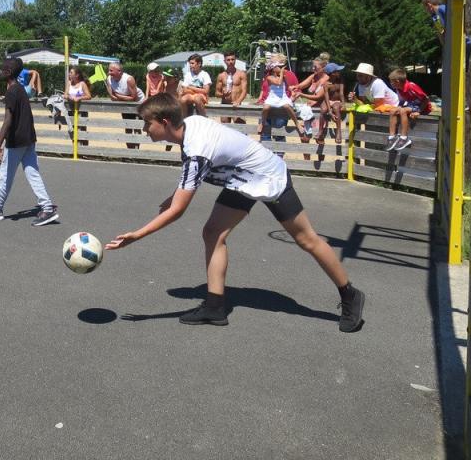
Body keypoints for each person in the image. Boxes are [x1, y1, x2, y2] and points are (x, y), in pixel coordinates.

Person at [104, 93, 365, 333]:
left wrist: (137, 235)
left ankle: (350, 294)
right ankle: (215, 306)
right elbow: (191, 179)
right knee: (213, 233)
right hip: (242, 180)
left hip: (267, 176)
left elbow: (178, 211)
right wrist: (175, 195)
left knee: (307, 239)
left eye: (147, 123)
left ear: (164, 121)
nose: (144, 129)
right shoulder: (190, 126)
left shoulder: (196, 149)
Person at [0, 58, 58, 227]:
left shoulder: (12, 92)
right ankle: (47, 207)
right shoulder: (20, 89)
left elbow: (8, 120)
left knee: (5, 176)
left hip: (17, 140)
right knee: (33, 173)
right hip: (28, 138)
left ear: (8, 72)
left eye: (2, 69)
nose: (0, 71)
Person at [385, 68, 432, 151]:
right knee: (393, 110)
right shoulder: (399, 88)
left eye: (391, 81)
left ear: (397, 81)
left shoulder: (411, 86)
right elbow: (402, 101)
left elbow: (426, 99)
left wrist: (418, 111)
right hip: (412, 104)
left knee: (403, 111)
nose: (390, 83)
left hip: (422, 106)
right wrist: (397, 108)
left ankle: (404, 138)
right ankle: (392, 137)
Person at [257, 61, 305, 139]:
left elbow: (287, 86)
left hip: (283, 97)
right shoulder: (269, 77)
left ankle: (297, 123)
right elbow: (278, 83)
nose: (281, 68)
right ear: (273, 69)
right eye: (279, 67)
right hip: (272, 97)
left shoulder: (283, 77)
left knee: (287, 106)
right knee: (266, 107)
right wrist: (282, 73)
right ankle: (262, 123)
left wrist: (292, 91)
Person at [214, 52, 247, 124]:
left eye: (232, 59)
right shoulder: (221, 75)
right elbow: (216, 93)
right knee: (225, 129)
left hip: (237, 105)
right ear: (225, 61)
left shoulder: (241, 74)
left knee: (241, 128)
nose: (231, 61)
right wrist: (223, 95)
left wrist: (238, 101)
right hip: (224, 105)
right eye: (228, 60)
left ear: (235, 60)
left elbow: (244, 91)